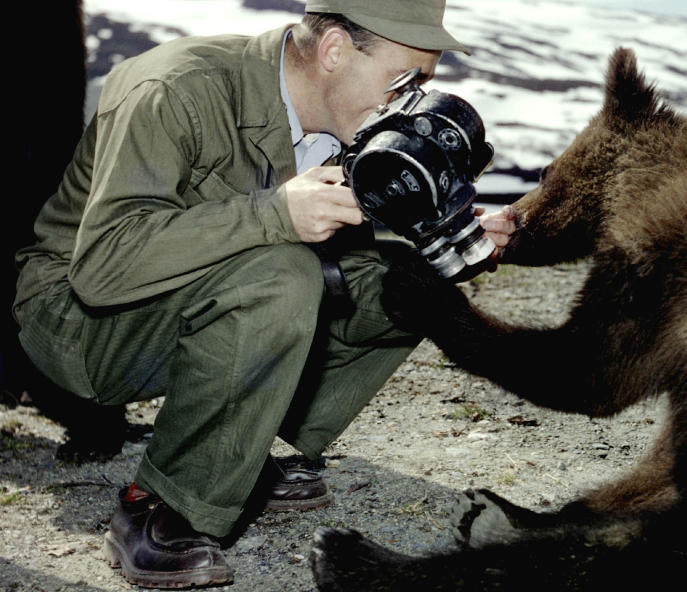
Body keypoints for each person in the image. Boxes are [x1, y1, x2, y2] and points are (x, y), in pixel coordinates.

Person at [13, 0, 517, 587]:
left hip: (180, 307)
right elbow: (101, 270)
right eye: (404, 82)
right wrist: (275, 213)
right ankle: (160, 506)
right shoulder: (173, 87)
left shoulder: (343, 126)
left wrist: (443, 251)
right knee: (283, 275)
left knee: (406, 284)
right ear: (334, 51)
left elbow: (348, 281)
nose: (410, 105)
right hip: (76, 325)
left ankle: (236, 456)